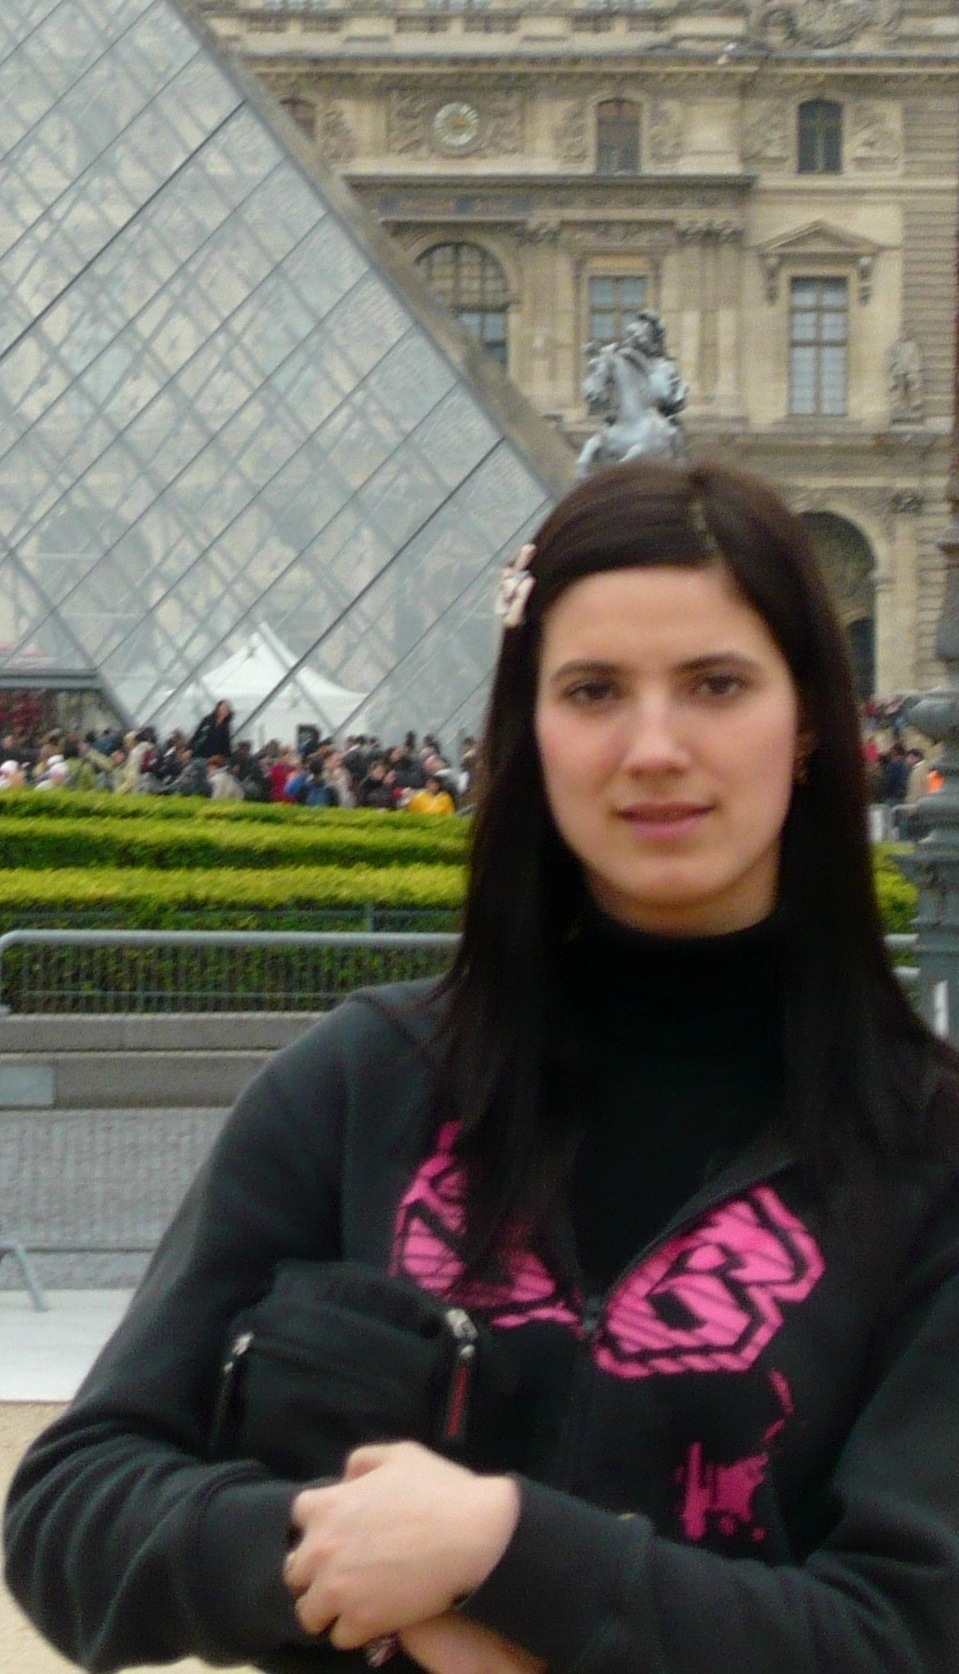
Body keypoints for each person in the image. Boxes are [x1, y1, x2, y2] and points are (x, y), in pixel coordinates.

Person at [6, 459, 959, 1674]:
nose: (653, 747)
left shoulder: (931, 1150)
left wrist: (504, 1552)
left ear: (810, 721)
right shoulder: (359, 1083)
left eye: (715, 685)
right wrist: (321, 1552)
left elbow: (908, 1634)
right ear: (530, 728)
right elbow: (71, 1505)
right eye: (592, 690)